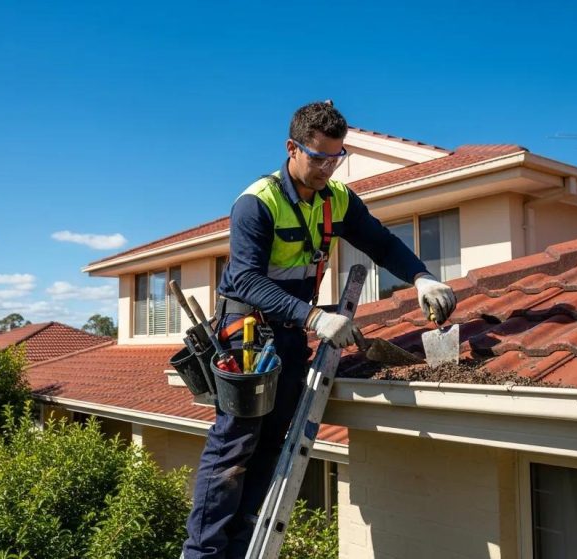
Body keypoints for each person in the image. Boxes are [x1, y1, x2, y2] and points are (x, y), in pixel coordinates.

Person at [181, 101, 457, 559]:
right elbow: (246, 279)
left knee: (273, 442)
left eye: (336, 158)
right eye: (318, 157)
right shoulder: (256, 204)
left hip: (288, 331)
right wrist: (315, 318)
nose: (327, 169)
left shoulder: (337, 199)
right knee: (234, 447)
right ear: (292, 149)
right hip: (245, 331)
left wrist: (421, 276)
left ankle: (242, 546)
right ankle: (203, 553)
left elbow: (381, 242)